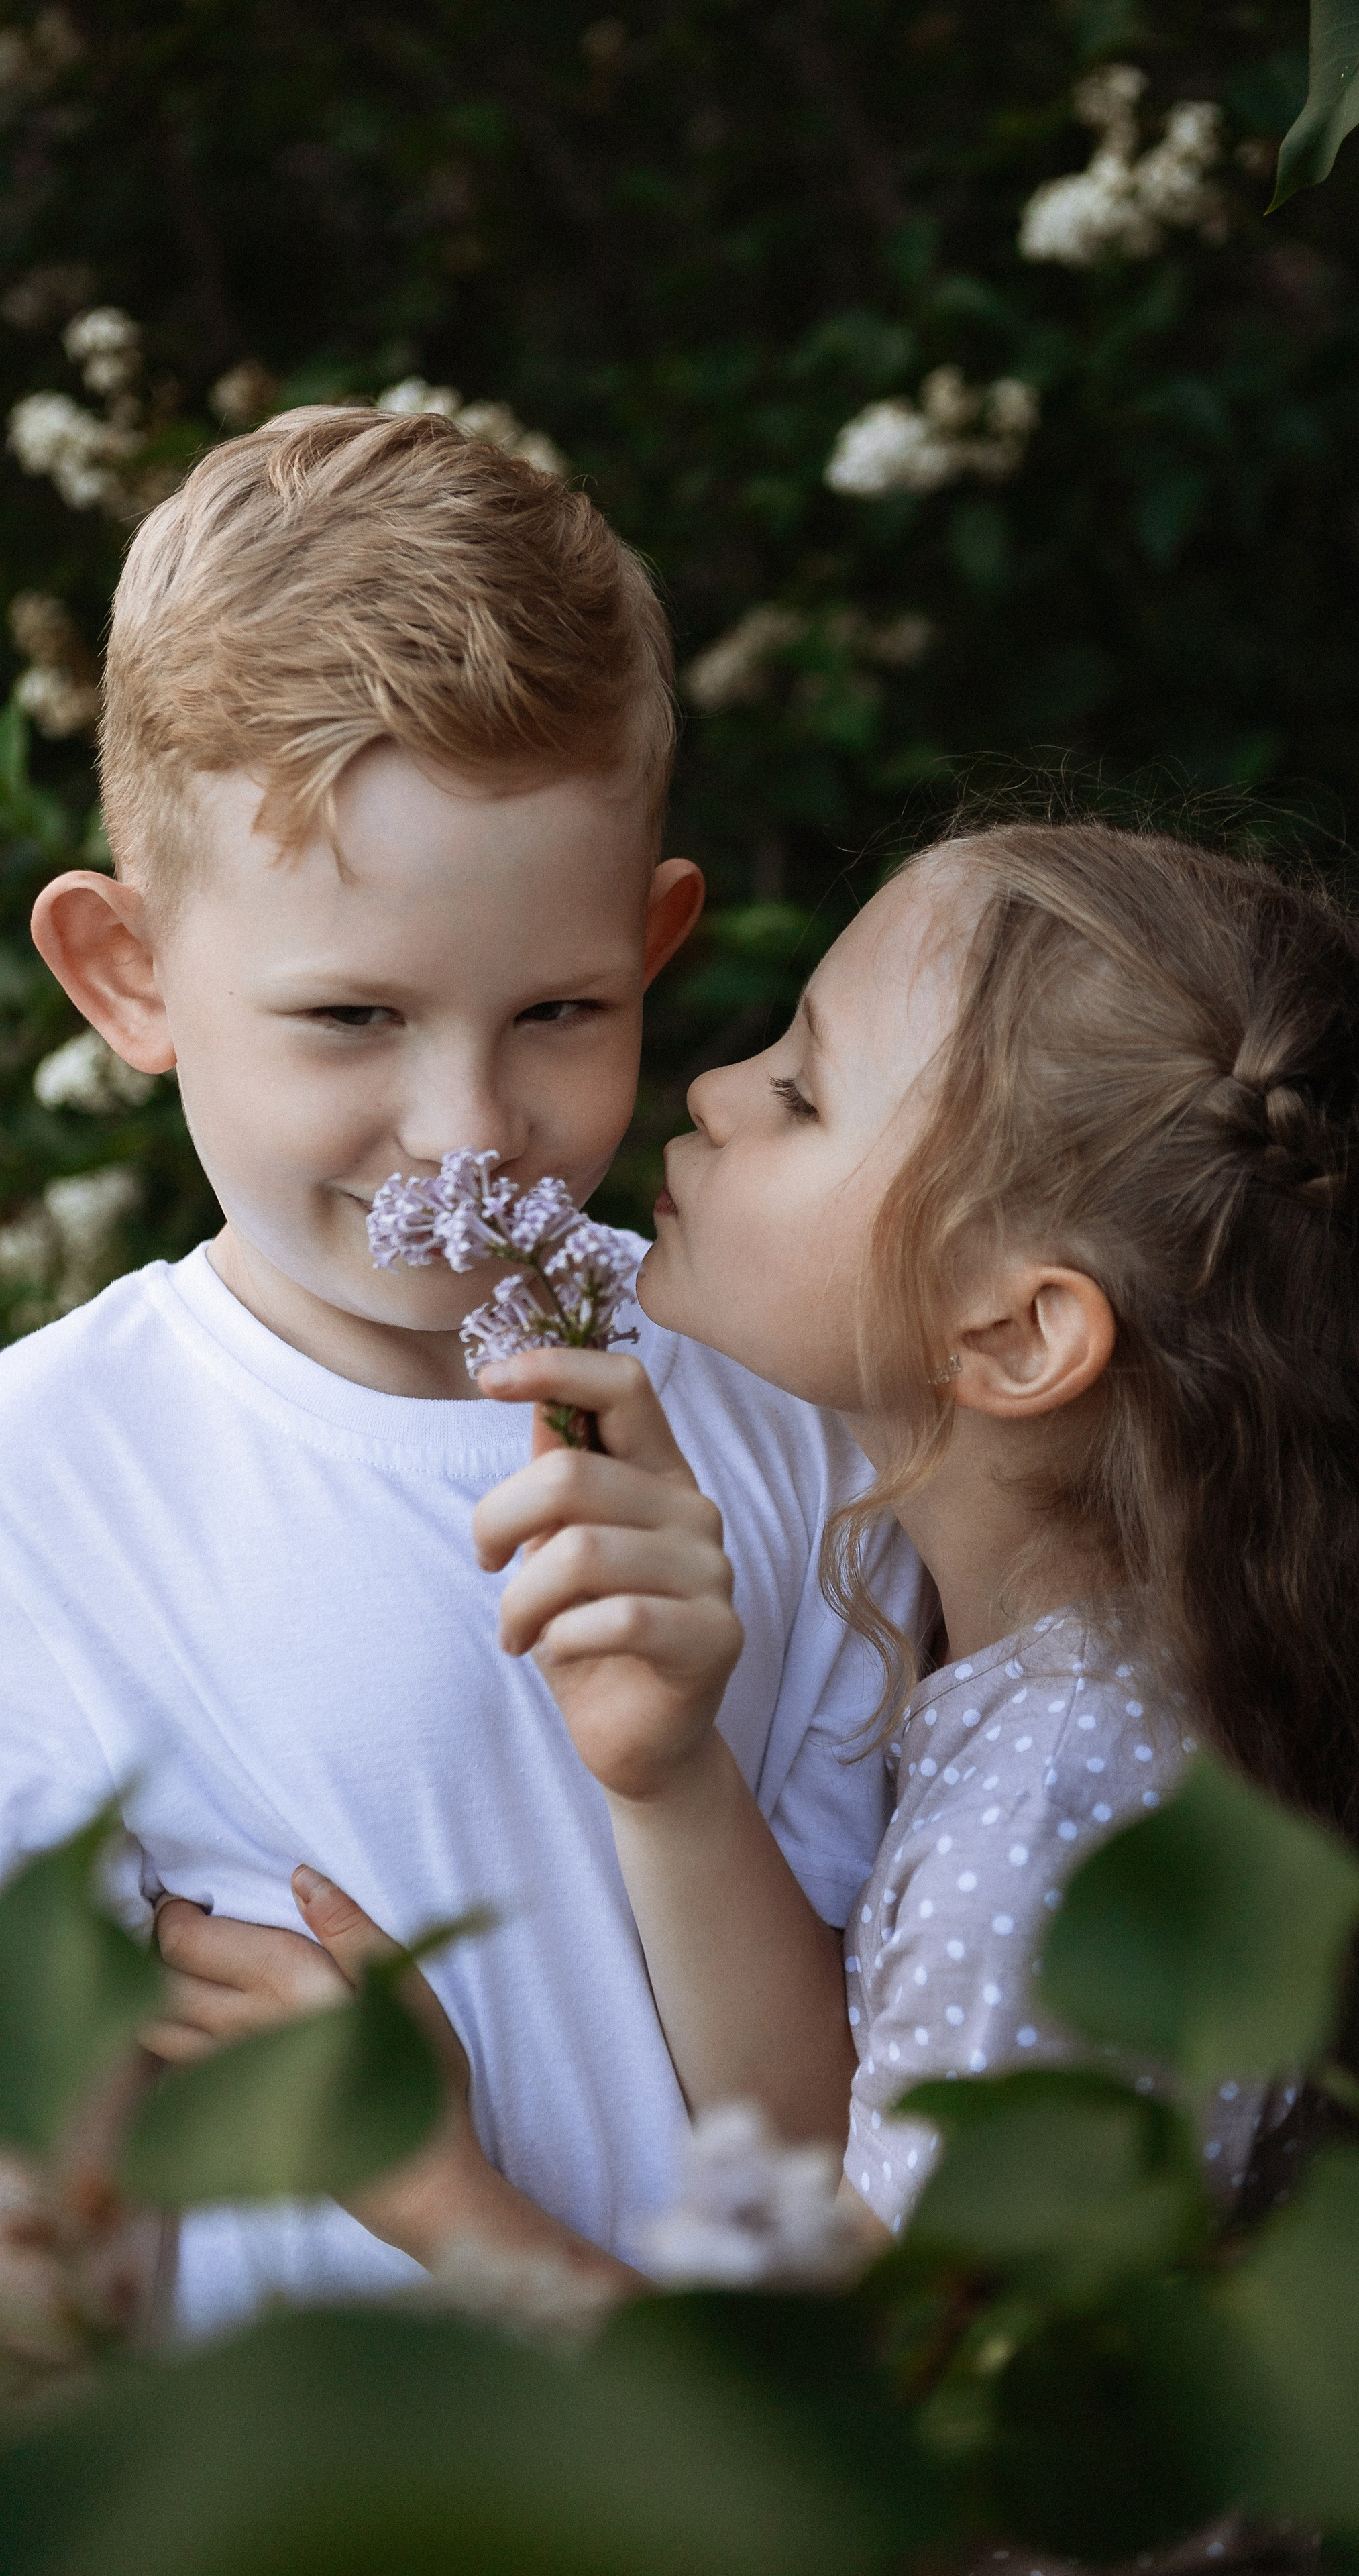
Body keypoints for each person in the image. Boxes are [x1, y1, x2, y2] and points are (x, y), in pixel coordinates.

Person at [156, 819, 1359, 2267]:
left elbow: (877, 2410)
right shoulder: (1113, 1667)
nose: (714, 1089)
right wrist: (669, 1772)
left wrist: (426, 2184)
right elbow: (844, 2154)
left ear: (1014, 1333)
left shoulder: (1054, 1813)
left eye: (802, 1094)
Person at [0, 403, 922, 2333]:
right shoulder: (50, 1490)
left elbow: (853, 2195)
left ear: (652, 949)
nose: (468, 1131)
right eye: (353, 1018)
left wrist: (676, 1774)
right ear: (129, 978)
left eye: (559, 1010)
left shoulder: (789, 1426)